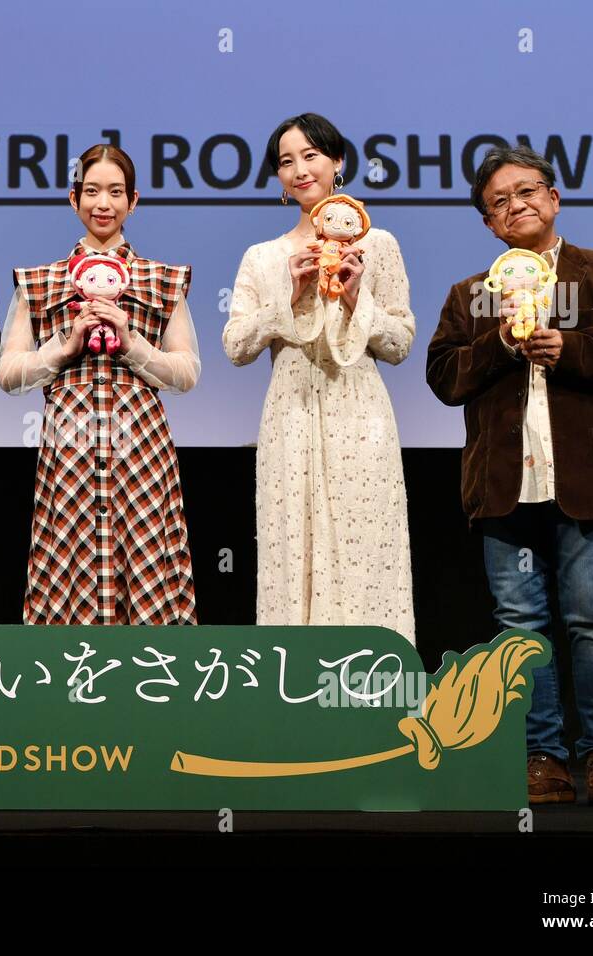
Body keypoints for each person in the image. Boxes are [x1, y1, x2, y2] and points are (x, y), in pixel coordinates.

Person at [426, 144, 593, 806]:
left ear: (555, 198)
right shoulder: (470, 295)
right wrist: (500, 343)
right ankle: (543, 759)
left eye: (527, 191)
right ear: (488, 225)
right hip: (505, 486)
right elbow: (444, 378)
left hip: (587, 478)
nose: (517, 206)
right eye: (500, 202)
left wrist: (575, 348)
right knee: (518, 626)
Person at [221, 113, 416, 641]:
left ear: (338, 164)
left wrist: (358, 298)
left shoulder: (379, 246)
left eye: (311, 156)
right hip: (290, 415)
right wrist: (286, 295)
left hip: (362, 415)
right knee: (293, 552)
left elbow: (399, 344)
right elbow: (235, 346)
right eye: (286, 161)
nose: (300, 170)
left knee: (367, 554)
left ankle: (372, 703)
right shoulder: (263, 257)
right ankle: (296, 707)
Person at [0, 143, 199, 624]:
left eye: (114, 192)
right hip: (69, 451)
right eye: (91, 192)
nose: (102, 204)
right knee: (66, 579)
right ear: (73, 199)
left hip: (142, 451)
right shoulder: (41, 281)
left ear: (134, 200)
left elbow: (187, 372)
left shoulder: (160, 278)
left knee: (152, 584)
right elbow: (8, 374)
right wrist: (65, 347)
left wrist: (132, 344)